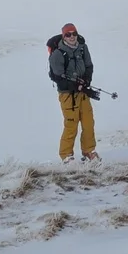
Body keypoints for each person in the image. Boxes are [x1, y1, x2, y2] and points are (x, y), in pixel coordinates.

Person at [48, 23, 99, 162]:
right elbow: (58, 77)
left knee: (88, 123)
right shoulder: (58, 53)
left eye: (74, 33)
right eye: (68, 34)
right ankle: (66, 156)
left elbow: (89, 66)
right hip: (67, 95)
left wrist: (86, 81)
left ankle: (89, 151)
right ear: (63, 36)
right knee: (71, 124)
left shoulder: (82, 48)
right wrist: (76, 86)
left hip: (83, 93)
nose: (72, 37)